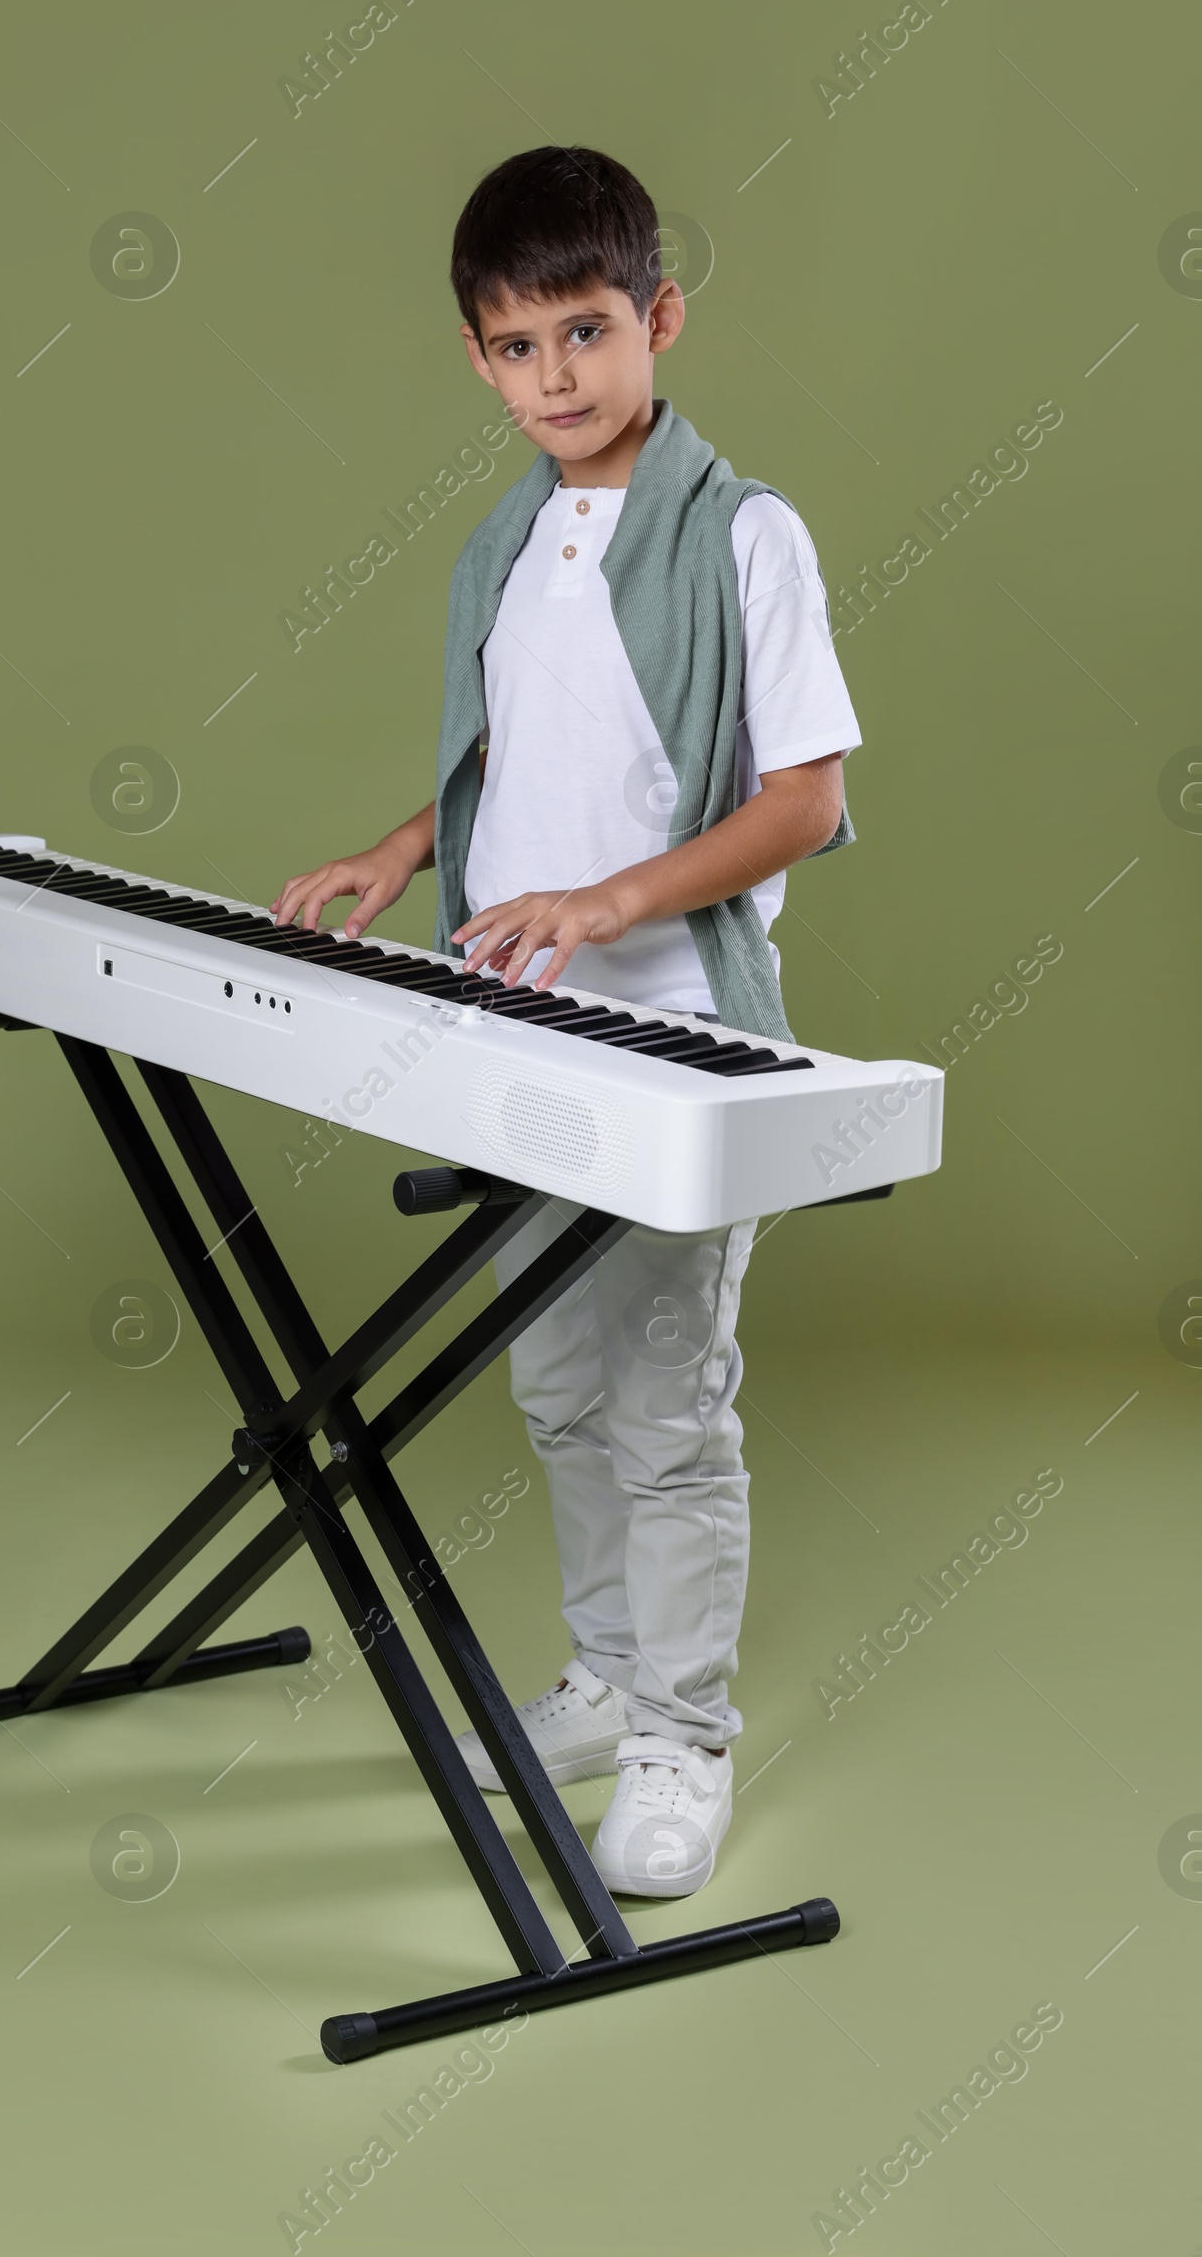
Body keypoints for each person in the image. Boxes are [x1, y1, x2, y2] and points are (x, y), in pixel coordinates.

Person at [273, 146, 861, 1898]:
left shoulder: (745, 531)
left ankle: (686, 1739)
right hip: (521, 1036)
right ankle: (606, 1676)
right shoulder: (507, 545)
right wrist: (402, 850)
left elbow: (808, 801)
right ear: (478, 358)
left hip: (676, 1030)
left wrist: (611, 907)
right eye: (518, 348)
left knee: (671, 1407)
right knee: (552, 1386)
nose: (559, 378)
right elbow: (514, 779)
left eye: (588, 333)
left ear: (658, 318)